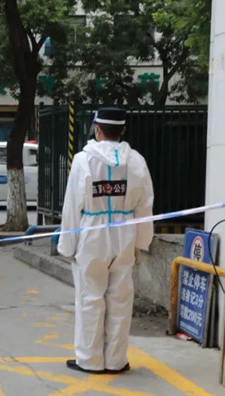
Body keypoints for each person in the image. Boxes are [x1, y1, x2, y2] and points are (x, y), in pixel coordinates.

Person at [58, 107, 154, 375]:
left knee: (90, 297)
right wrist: (142, 242)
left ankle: (89, 360)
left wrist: (67, 245)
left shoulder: (83, 160)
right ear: (123, 130)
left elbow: (72, 205)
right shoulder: (136, 161)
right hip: (125, 232)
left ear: (97, 129)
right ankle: (116, 361)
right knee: (120, 298)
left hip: (92, 232)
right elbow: (145, 204)